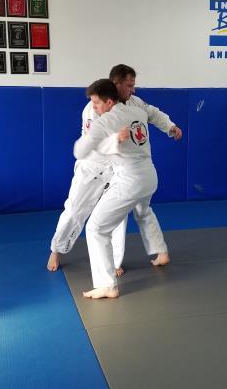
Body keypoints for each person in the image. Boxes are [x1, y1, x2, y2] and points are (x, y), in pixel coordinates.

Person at [47, 64, 179, 272]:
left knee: (117, 218)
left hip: (118, 168)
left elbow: (152, 113)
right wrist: (116, 139)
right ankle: (57, 249)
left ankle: (114, 263)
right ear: (115, 85)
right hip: (92, 166)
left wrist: (169, 126)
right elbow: (91, 145)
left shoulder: (134, 102)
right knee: (75, 210)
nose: (133, 89)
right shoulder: (95, 108)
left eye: (133, 85)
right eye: (129, 85)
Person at [74, 79, 169, 299]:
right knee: (142, 213)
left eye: (96, 103)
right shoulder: (138, 112)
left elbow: (80, 151)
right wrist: (114, 140)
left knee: (96, 227)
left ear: (109, 102)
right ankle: (160, 251)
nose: (93, 108)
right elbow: (152, 115)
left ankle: (107, 285)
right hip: (149, 176)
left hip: (129, 181)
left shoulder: (105, 120)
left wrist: (109, 140)